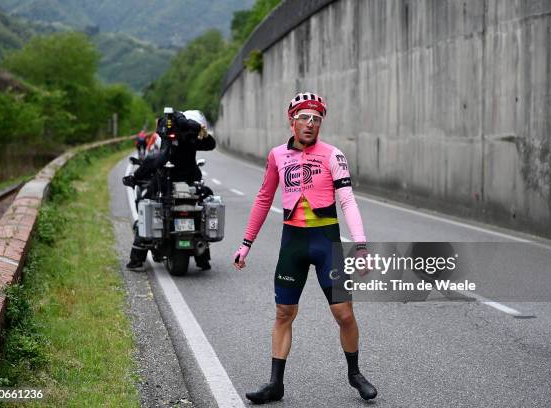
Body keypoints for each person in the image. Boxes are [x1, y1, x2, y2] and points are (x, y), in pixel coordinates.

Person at [233, 92, 377, 403]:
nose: (310, 123)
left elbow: (348, 200)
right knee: (284, 312)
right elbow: (262, 199)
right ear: (292, 120)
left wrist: (361, 245)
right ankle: (275, 384)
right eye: (304, 117)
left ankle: (355, 374)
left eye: (316, 118)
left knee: (344, 314)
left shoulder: (333, 155)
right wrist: (246, 244)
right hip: (293, 243)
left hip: (327, 242)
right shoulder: (276, 156)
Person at [123, 109, 216, 271]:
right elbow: (210, 144)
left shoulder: (171, 143)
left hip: (166, 185)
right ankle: (203, 258)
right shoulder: (191, 141)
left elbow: (155, 160)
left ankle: (137, 259)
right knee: (202, 207)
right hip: (190, 185)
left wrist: (135, 177)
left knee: (148, 206)